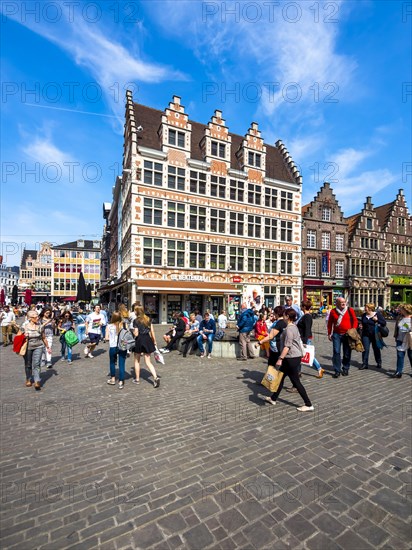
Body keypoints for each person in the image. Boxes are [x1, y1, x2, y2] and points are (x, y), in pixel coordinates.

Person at [260, 309, 314, 411]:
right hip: (292, 357)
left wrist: (280, 358)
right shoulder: (293, 327)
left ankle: (308, 404)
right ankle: (273, 398)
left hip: (291, 358)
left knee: (296, 381)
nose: (283, 317)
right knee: (280, 377)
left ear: (287, 317)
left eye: (284, 315)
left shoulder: (289, 329)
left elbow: (287, 346)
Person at [19, 310, 52, 390]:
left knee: (37, 364)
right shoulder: (25, 326)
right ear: (30, 318)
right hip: (28, 347)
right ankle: (28, 379)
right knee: (28, 364)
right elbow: (18, 336)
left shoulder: (40, 326)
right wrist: (24, 336)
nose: (38, 318)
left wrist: (48, 347)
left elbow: (43, 337)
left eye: (37, 316)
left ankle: (37, 381)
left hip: (39, 346)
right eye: (36, 317)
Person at [327, 297, 358, 378]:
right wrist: (329, 333)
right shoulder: (333, 311)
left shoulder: (350, 310)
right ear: (337, 303)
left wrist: (353, 329)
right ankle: (337, 370)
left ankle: (345, 368)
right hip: (336, 334)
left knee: (347, 353)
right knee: (336, 352)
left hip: (347, 334)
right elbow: (330, 323)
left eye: (344, 302)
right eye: (341, 302)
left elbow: (355, 320)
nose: (343, 303)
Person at [132, 306, 160, 388]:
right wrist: (154, 341)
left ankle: (137, 379)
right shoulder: (148, 319)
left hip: (139, 340)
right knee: (148, 361)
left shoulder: (136, 321)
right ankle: (155, 377)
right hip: (147, 339)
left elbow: (136, 334)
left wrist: (133, 331)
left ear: (137, 312)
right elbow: (152, 331)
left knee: (137, 360)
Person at [297, 300, 325, 378]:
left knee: (308, 355)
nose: (300, 307)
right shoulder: (304, 315)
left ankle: (319, 368)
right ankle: (298, 372)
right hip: (302, 338)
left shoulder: (307, 316)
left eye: (301, 306)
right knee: (301, 354)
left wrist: (305, 341)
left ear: (304, 307)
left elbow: (307, 329)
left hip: (305, 338)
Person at [359, 303, 387, 370]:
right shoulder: (364, 315)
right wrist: (361, 326)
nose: (365, 308)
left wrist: (377, 320)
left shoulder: (377, 314)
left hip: (375, 335)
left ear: (370, 308)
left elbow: (384, 323)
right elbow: (362, 323)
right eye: (365, 307)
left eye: (366, 307)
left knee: (376, 349)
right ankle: (365, 364)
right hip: (366, 335)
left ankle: (379, 362)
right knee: (365, 349)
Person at [106, 312, 127, 389]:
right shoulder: (123, 326)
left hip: (113, 346)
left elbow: (106, 338)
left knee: (112, 362)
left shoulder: (109, 326)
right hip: (122, 346)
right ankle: (121, 381)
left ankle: (113, 379)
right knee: (121, 364)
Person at [391, 304, 412, 378]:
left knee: (411, 355)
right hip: (400, 339)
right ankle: (398, 372)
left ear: (406, 310)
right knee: (400, 355)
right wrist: (395, 336)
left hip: (410, 339)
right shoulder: (399, 317)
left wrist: (408, 328)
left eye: (401, 309)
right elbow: (397, 328)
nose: (400, 310)